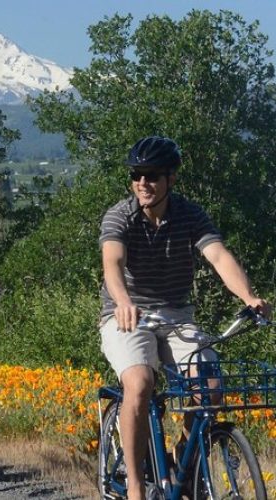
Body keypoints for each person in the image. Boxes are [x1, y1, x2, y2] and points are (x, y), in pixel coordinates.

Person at [99, 136, 270, 500]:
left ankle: (183, 464)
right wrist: (124, 301)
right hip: (128, 315)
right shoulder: (120, 215)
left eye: (152, 175)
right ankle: (134, 485)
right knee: (140, 383)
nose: (143, 183)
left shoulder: (190, 214)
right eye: (136, 175)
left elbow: (219, 256)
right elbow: (112, 263)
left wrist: (249, 297)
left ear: (171, 179)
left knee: (211, 390)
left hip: (177, 316)